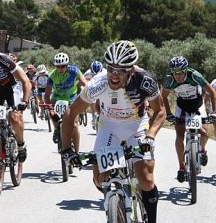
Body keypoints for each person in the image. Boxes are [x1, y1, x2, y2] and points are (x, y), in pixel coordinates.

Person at [62, 40, 165, 223]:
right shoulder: (98, 83)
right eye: (111, 69)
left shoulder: (145, 80)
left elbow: (160, 111)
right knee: (99, 180)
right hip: (109, 126)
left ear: (131, 70)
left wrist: (150, 137)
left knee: (146, 178)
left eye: (120, 70)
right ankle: (114, 204)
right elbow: (71, 112)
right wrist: (67, 150)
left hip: (137, 126)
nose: (114, 75)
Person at [161, 56, 216, 182]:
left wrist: (214, 112)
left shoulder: (195, 76)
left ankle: (202, 150)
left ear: (186, 70)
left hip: (197, 104)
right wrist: (169, 113)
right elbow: (163, 97)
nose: (178, 76)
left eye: (181, 72)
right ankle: (181, 167)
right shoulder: (169, 80)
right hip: (182, 106)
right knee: (179, 135)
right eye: (175, 73)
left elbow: (212, 92)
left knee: (205, 133)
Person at [44, 52, 87, 152]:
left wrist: (86, 93)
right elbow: (46, 95)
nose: (60, 69)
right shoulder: (52, 76)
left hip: (71, 98)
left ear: (67, 65)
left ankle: (76, 152)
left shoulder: (74, 71)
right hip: (57, 98)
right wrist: (50, 109)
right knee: (52, 113)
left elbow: (84, 83)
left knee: (75, 125)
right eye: (58, 66)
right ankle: (56, 128)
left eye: (63, 66)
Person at [83, 60, 106, 129]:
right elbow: (83, 83)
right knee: (92, 100)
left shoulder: (105, 72)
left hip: (102, 88)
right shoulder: (87, 73)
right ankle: (94, 116)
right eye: (94, 75)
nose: (96, 76)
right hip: (92, 88)